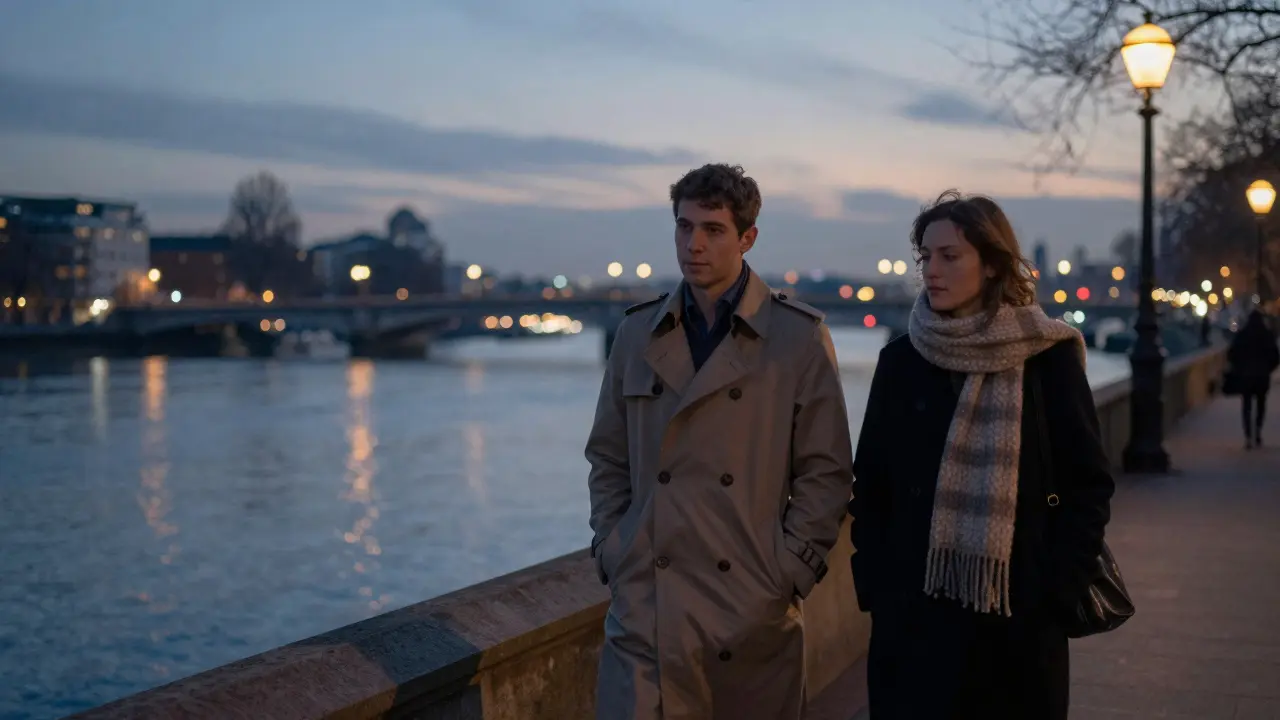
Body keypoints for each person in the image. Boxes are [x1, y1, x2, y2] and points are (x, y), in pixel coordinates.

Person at [585, 163, 853, 719]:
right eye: (684, 227)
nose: (693, 245)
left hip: (750, 610)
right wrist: (616, 546)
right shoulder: (637, 333)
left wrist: (787, 572)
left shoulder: (797, 337)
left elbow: (826, 472)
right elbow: (607, 454)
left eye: (712, 229)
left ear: (747, 238)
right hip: (647, 611)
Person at [848, 190, 1116, 719]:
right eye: (926, 257)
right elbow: (871, 486)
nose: (932, 270)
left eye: (951, 256)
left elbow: (1089, 485)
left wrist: (1055, 592)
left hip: (1018, 619)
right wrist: (878, 587)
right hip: (914, 620)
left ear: (992, 265)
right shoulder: (900, 362)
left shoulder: (1048, 358)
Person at [1228, 310, 1280, 449]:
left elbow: (1232, 354)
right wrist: (1268, 369)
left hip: (1245, 376)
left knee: (1246, 406)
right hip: (1262, 376)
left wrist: (1239, 368)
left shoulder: (1242, 335)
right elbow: (1275, 357)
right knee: (1261, 405)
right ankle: (1257, 431)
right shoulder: (1267, 335)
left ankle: (1248, 436)